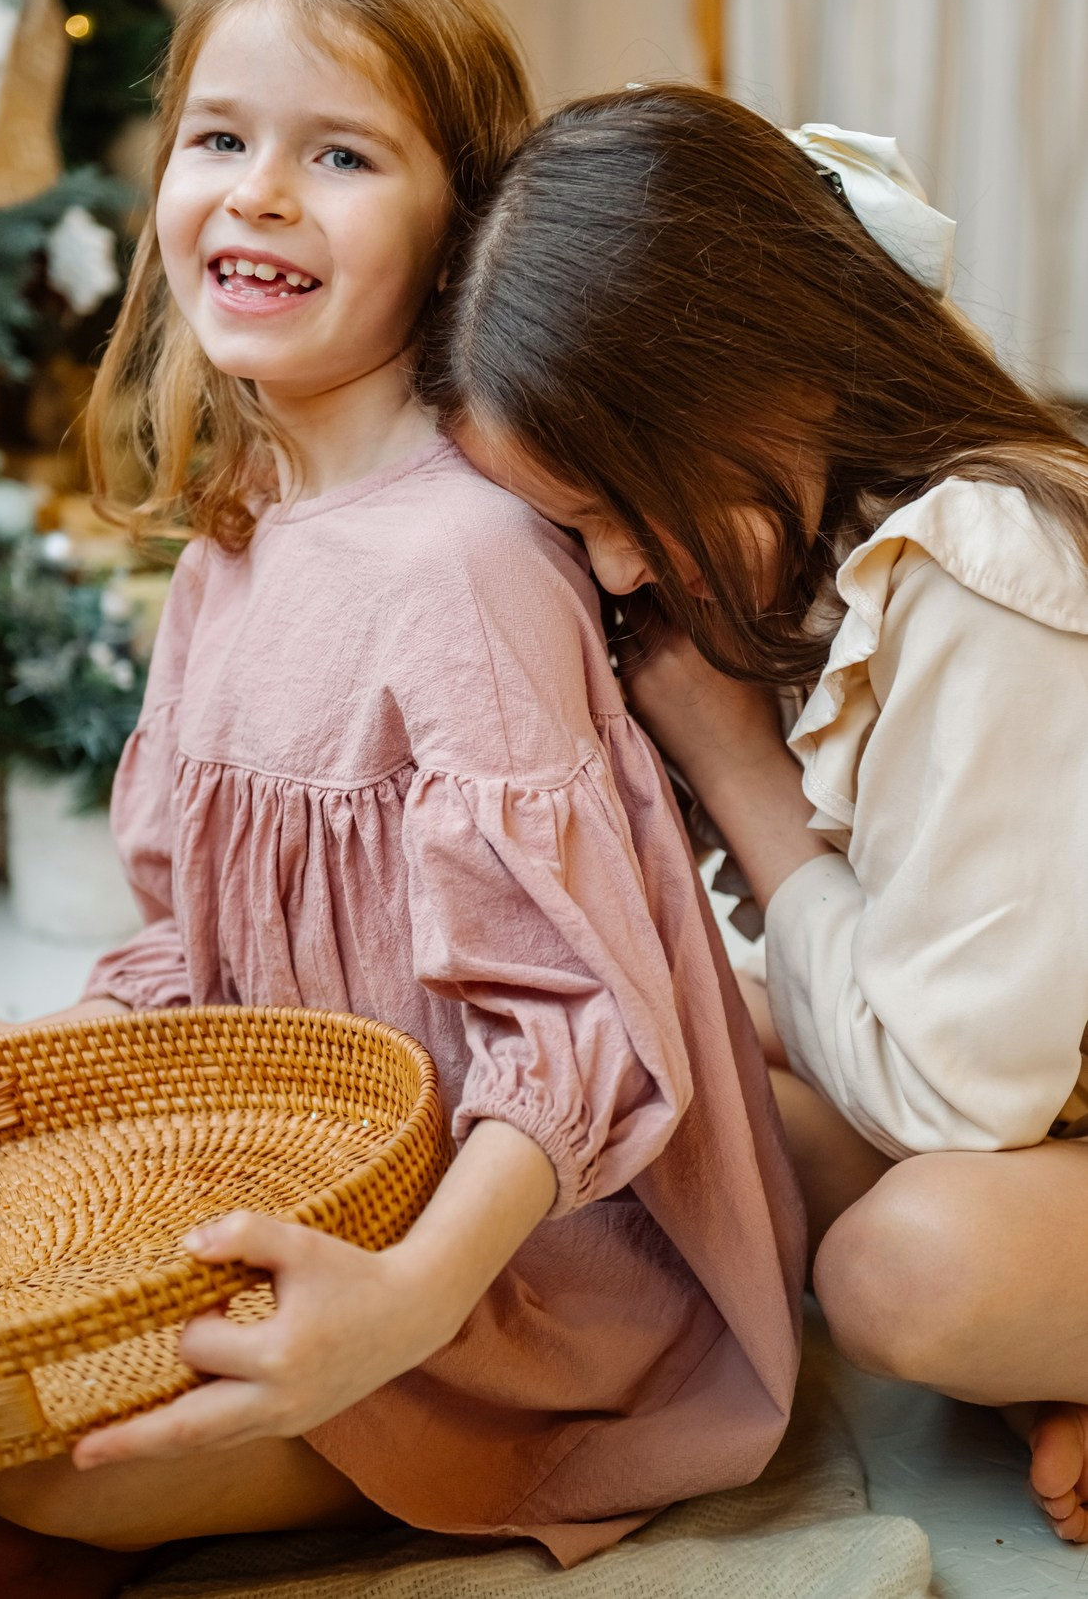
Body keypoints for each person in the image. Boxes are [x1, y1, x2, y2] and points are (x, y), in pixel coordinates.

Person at [0, 0, 803, 1599]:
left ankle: (235, 1487)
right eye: (221, 139)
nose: (258, 196)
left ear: (455, 232)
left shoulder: (465, 563)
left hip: (504, 1276)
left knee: (50, 1469)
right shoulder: (228, 550)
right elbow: (191, 954)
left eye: (341, 154)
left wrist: (400, 1309)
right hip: (291, 1172)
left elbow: (576, 1034)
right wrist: (42, 1105)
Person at [425, 81, 1088, 1548]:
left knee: (908, 1276)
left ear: (764, 375)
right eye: (569, 530)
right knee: (688, 1119)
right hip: (1032, 1091)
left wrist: (736, 770)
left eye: (617, 507)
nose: (608, 576)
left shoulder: (980, 566)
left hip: (999, 1106)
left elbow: (946, 1095)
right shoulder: (815, 550)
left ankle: (1041, 1337)